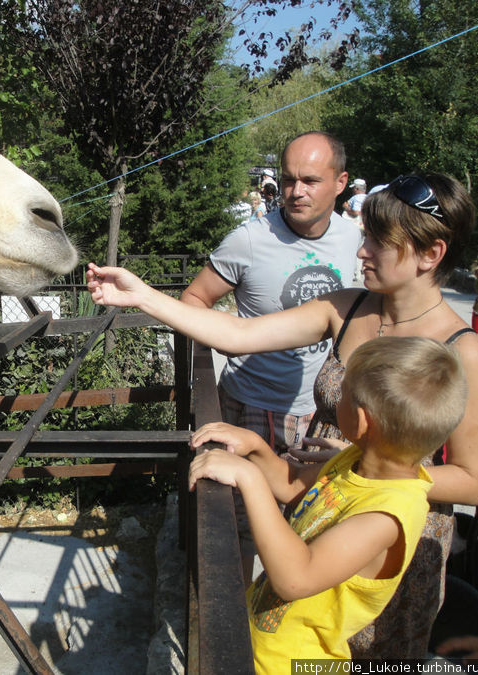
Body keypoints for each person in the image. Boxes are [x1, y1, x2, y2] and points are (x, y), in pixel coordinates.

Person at [87, 171, 478, 658]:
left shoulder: (463, 351)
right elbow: (237, 336)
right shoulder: (348, 305)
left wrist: (367, 461)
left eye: (379, 242)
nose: (362, 252)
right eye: (365, 238)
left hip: (386, 542)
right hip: (320, 501)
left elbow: (474, 480)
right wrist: (144, 296)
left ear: (431, 254)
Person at [188, 336, 467, 672]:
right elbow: (293, 485)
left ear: (362, 421)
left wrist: (249, 479)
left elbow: (295, 578)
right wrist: (256, 448)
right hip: (264, 649)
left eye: (343, 395)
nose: (337, 401)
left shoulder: (387, 515)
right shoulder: (359, 460)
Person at [179, 131, 360, 582]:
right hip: (248, 407)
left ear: (341, 182)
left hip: (322, 416)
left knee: (311, 529)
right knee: (237, 530)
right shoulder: (250, 239)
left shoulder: (358, 242)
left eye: (310, 181)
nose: (296, 192)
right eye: (288, 179)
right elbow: (194, 299)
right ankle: (234, 635)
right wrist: (234, 339)